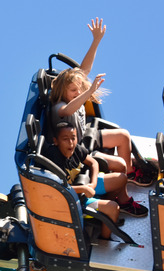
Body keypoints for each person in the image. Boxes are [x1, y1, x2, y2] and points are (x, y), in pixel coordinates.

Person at [50, 18, 153, 187]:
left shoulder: (75, 94)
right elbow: (68, 111)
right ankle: (121, 177)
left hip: (86, 136)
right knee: (118, 163)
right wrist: (89, 92)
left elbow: (85, 70)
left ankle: (131, 173)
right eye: (73, 91)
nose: (78, 93)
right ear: (63, 91)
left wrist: (96, 40)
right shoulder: (59, 107)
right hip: (77, 149)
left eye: (79, 89)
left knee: (124, 136)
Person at [42, 122, 148, 238]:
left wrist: (93, 184)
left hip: (85, 184)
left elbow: (93, 162)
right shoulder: (53, 160)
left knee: (121, 178)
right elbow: (55, 188)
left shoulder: (76, 149)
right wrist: (83, 188)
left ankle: (109, 208)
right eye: (65, 139)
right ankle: (104, 238)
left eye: (73, 138)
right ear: (56, 141)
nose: (71, 143)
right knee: (113, 208)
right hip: (75, 201)